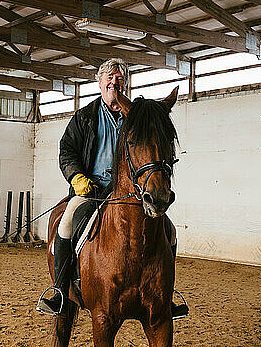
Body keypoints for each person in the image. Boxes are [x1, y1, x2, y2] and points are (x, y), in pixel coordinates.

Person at [37, 58, 188, 319]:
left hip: (132, 192)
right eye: (109, 78)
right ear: (99, 82)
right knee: (66, 224)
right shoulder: (85, 116)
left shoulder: (137, 115)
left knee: (169, 231)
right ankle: (60, 292)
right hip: (91, 190)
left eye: (119, 79)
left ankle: (167, 297)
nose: (114, 83)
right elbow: (67, 151)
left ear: (125, 84)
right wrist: (77, 178)